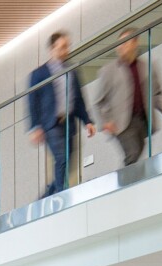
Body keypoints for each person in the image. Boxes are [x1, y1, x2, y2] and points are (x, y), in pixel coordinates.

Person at [27, 31, 95, 197]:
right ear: (52, 49)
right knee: (61, 157)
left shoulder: (72, 71)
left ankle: (47, 196)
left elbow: (78, 99)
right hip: (50, 124)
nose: (66, 50)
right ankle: (61, 194)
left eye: (67, 46)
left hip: (69, 123)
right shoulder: (39, 74)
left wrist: (87, 121)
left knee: (67, 162)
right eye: (62, 46)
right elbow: (32, 102)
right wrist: (35, 127)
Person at [93, 27, 162, 166]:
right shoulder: (108, 71)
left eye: (125, 42)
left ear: (135, 43)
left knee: (138, 151)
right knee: (133, 151)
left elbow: (157, 92)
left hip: (142, 120)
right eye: (119, 44)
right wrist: (105, 121)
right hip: (121, 123)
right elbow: (97, 102)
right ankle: (127, 184)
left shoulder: (148, 67)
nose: (121, 47)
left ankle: (127, 181)